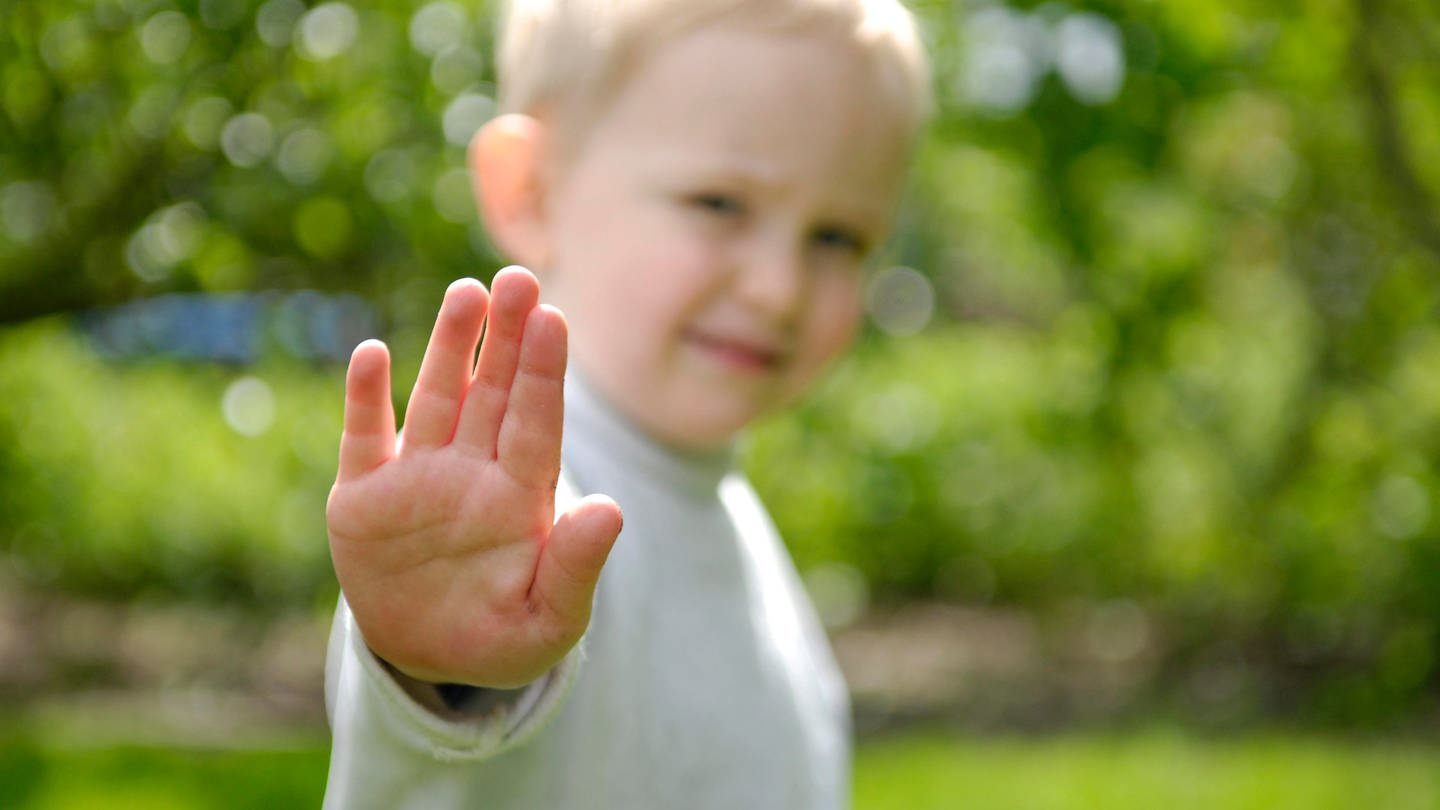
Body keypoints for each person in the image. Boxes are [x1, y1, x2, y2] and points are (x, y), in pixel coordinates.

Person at [322, 0, 930, 806]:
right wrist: (437, 672)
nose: (778, 289)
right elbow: (433, 736)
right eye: (719, 203)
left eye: (837, 237)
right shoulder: (516, 520)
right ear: (533, 192)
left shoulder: (722, 512)